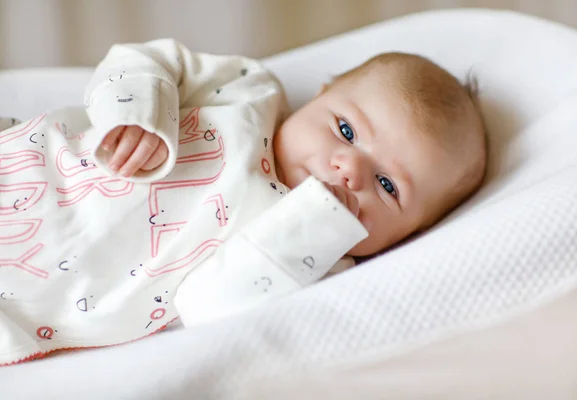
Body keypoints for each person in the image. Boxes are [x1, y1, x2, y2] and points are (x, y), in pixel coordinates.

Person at [0, 39, 486, 365]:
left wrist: (318, 223)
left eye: (387, 186)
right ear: (319, 96)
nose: (351, 169)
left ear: (406, 238)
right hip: (29, 159)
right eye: (346, 130)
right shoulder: (249, 93)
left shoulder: (312, 263)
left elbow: (207, 306)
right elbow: (149, 59)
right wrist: (134, 111)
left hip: (29, 289)